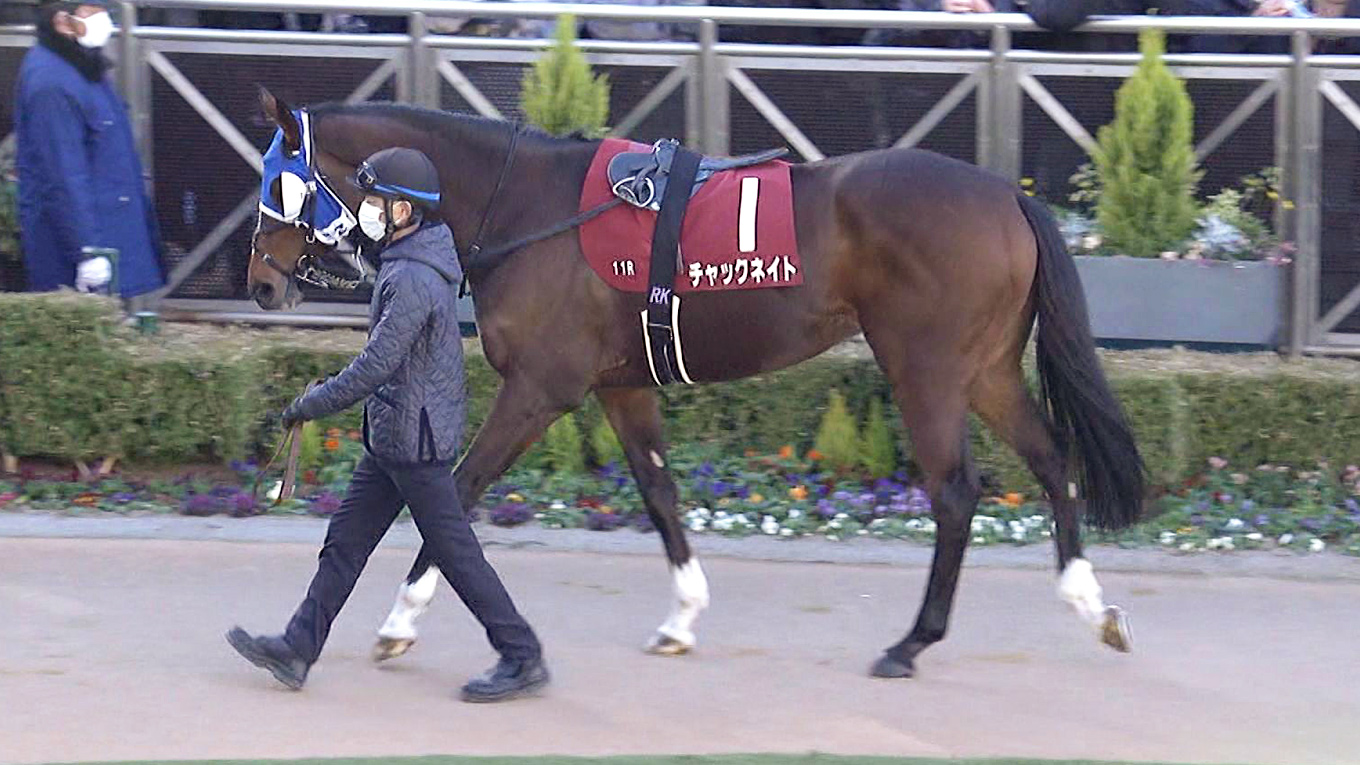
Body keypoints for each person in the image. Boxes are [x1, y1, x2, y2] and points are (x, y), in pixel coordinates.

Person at [226, 147, 549, 704]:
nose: (368, 210)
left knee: (456, 555)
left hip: (414, 444)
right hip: (394, 436)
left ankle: (522, 655)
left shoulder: (414, 277)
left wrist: (311, 404)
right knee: (345, 544)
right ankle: (298, 647)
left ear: (404, 211)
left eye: (377, 201)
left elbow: (377, 364)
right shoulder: (408, 259)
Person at [14, 1, 166, 298]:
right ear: (62, 22)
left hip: (110, 229)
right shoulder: (51, 83)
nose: (105, 20)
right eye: (93, 13)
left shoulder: (78, 66)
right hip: (83, 246)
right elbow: (62, 175)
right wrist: (86, 251)